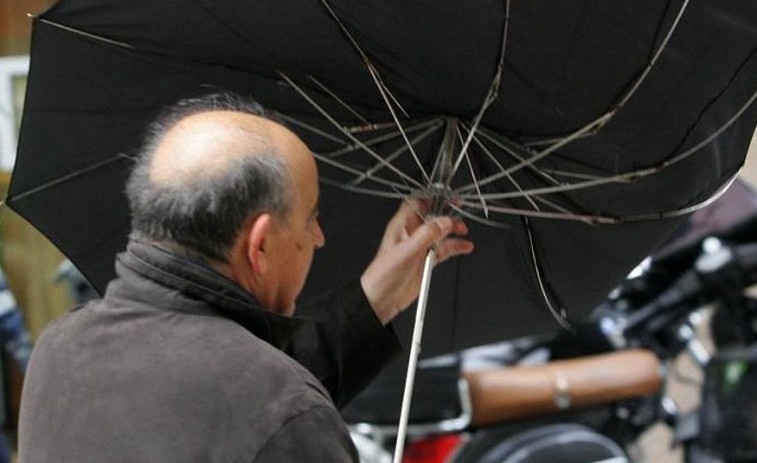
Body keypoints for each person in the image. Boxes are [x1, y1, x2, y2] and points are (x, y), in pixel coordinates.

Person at [17, 93, 473, 462]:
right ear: (259, 245)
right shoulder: (281, 410)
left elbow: (225, 406)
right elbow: (257, 409)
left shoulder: (59, 347)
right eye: (311, 218)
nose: (319, 237)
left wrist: (375, 300)